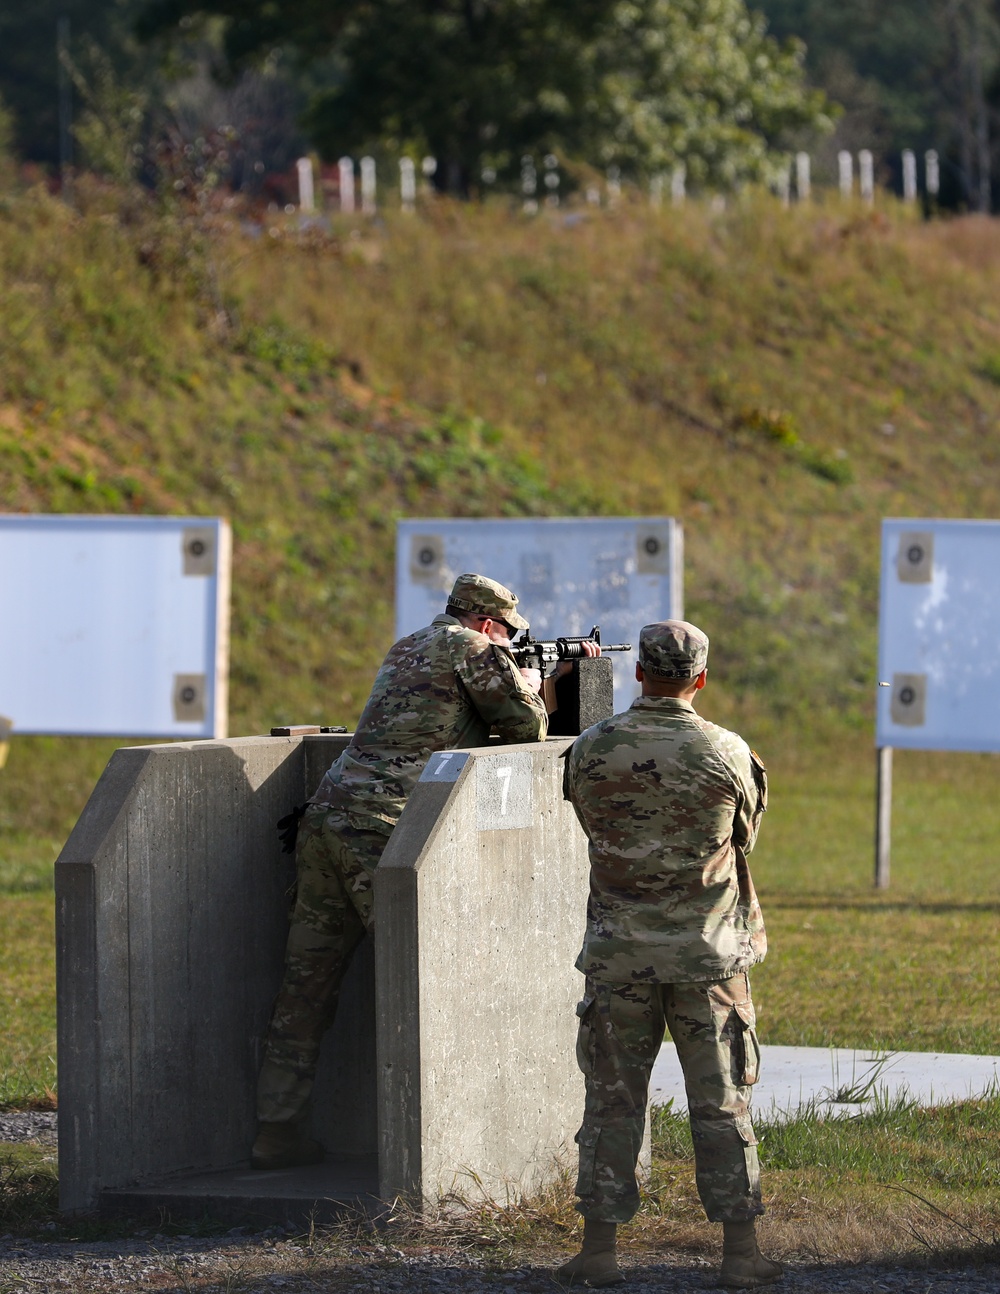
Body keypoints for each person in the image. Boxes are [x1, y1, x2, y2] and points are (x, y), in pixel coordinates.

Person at [252, 572, 550, 1170]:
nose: (506, 641)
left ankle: (276, 1131)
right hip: (382, 832)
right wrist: (535, 681)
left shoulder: (408, 644)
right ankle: (420, 1154)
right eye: (504, 633)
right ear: (488, 623)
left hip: (328, 819)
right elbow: (528, 728)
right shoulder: (475, 650)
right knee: (416, 985)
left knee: (305, 986)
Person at [558, 619, 781, 1290]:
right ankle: (740, 1256)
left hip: (619, 954)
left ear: (637, 673)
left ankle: (598, 1252)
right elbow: (747, 835)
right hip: (706, 958)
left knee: (612, 1101)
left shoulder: (593, 747)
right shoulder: (727, 751)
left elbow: (590, 820)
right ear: (701, 678)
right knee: (720, 1102)